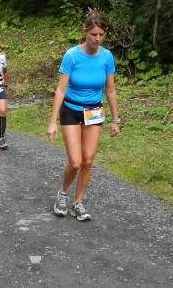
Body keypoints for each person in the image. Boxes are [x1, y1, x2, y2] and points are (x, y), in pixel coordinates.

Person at [47, 11, 120, 222]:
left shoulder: (106, 57)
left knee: (87, 160)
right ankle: (63, 193)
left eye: (101, 35)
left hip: (94, 112)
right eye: (93, 34)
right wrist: (52, 122)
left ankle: (78, 202)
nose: (97, 39)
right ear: (85, 32)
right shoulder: (71, 55)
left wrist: (116, 120)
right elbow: (61, 90)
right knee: (75, 161)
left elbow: (111, 90)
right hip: (71, 110)